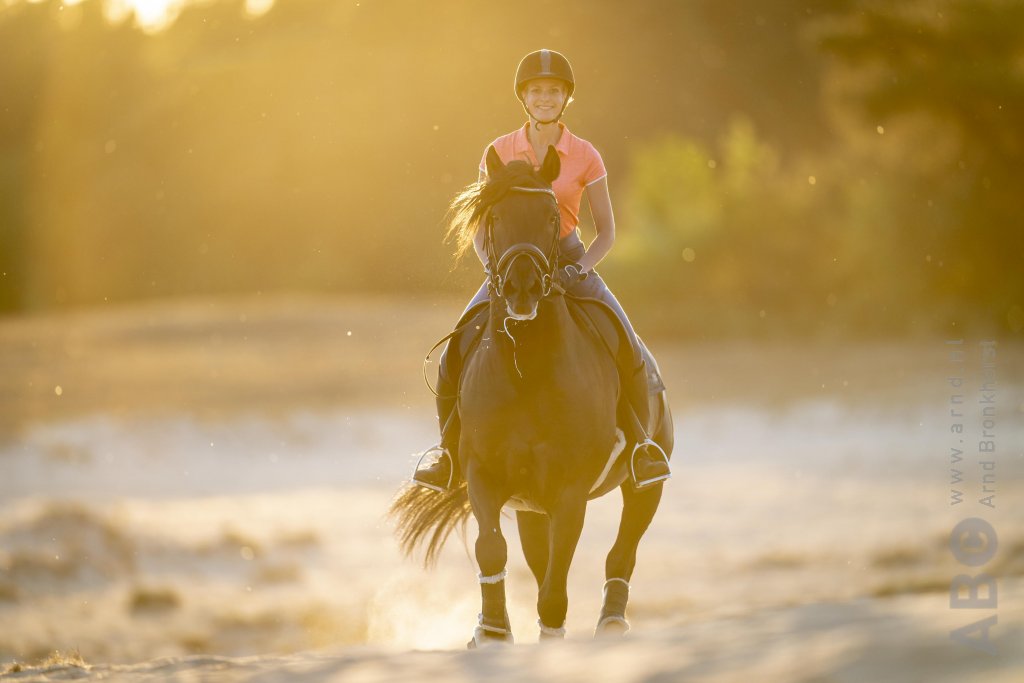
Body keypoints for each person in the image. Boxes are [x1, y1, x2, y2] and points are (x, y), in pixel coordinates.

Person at [412, 49, 671, 492]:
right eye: (537, 91)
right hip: (508, 263)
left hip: (568, 258)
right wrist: (494, 269)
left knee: (626, 343)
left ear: (565, 98)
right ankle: (446, 452)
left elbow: (606, 233)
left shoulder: (586, 155)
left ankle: (642, 446)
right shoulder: (497, 151)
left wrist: (578, 271)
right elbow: (481, 226)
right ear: (524, 98)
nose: (545, 98)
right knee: (455, 349)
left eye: (553, 91)